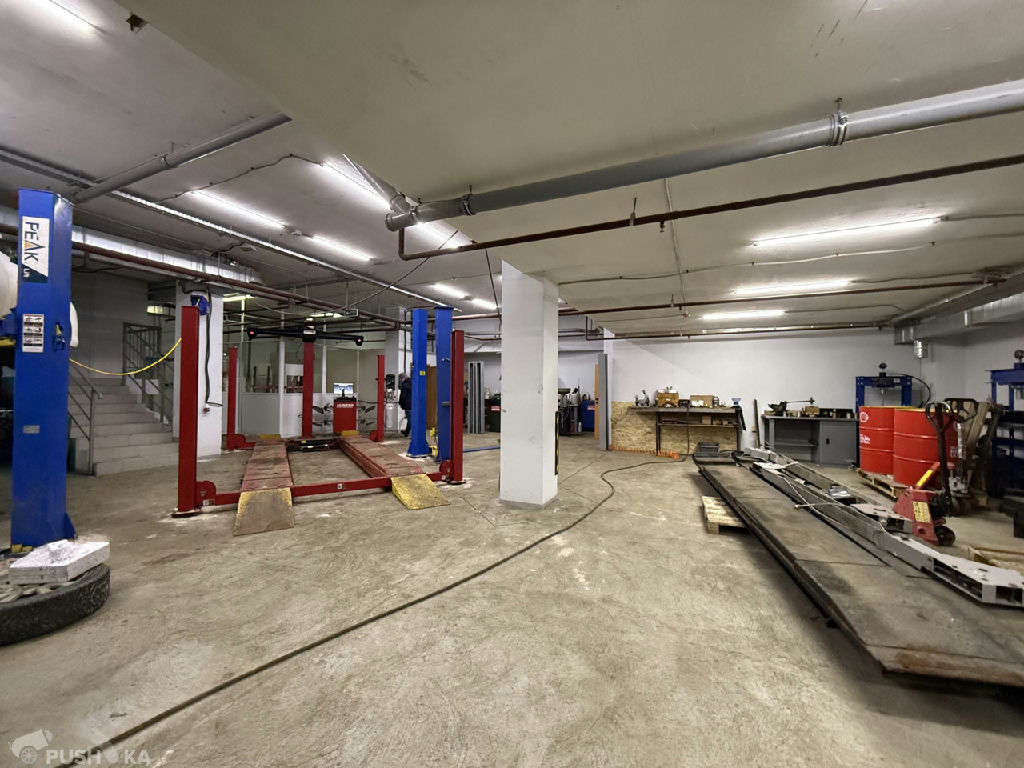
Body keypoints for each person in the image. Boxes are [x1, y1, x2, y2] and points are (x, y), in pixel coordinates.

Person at [398, 372, 412, 437]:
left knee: (410, 420)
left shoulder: (405, 384)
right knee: (410, 419)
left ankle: (414, 435)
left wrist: (400, 403)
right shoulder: (411, 382)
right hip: (413, 404)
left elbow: (403, 395)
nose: (399, 381)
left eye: (399, 379)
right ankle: (406, 432)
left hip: (408, 405)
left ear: (402, 378)